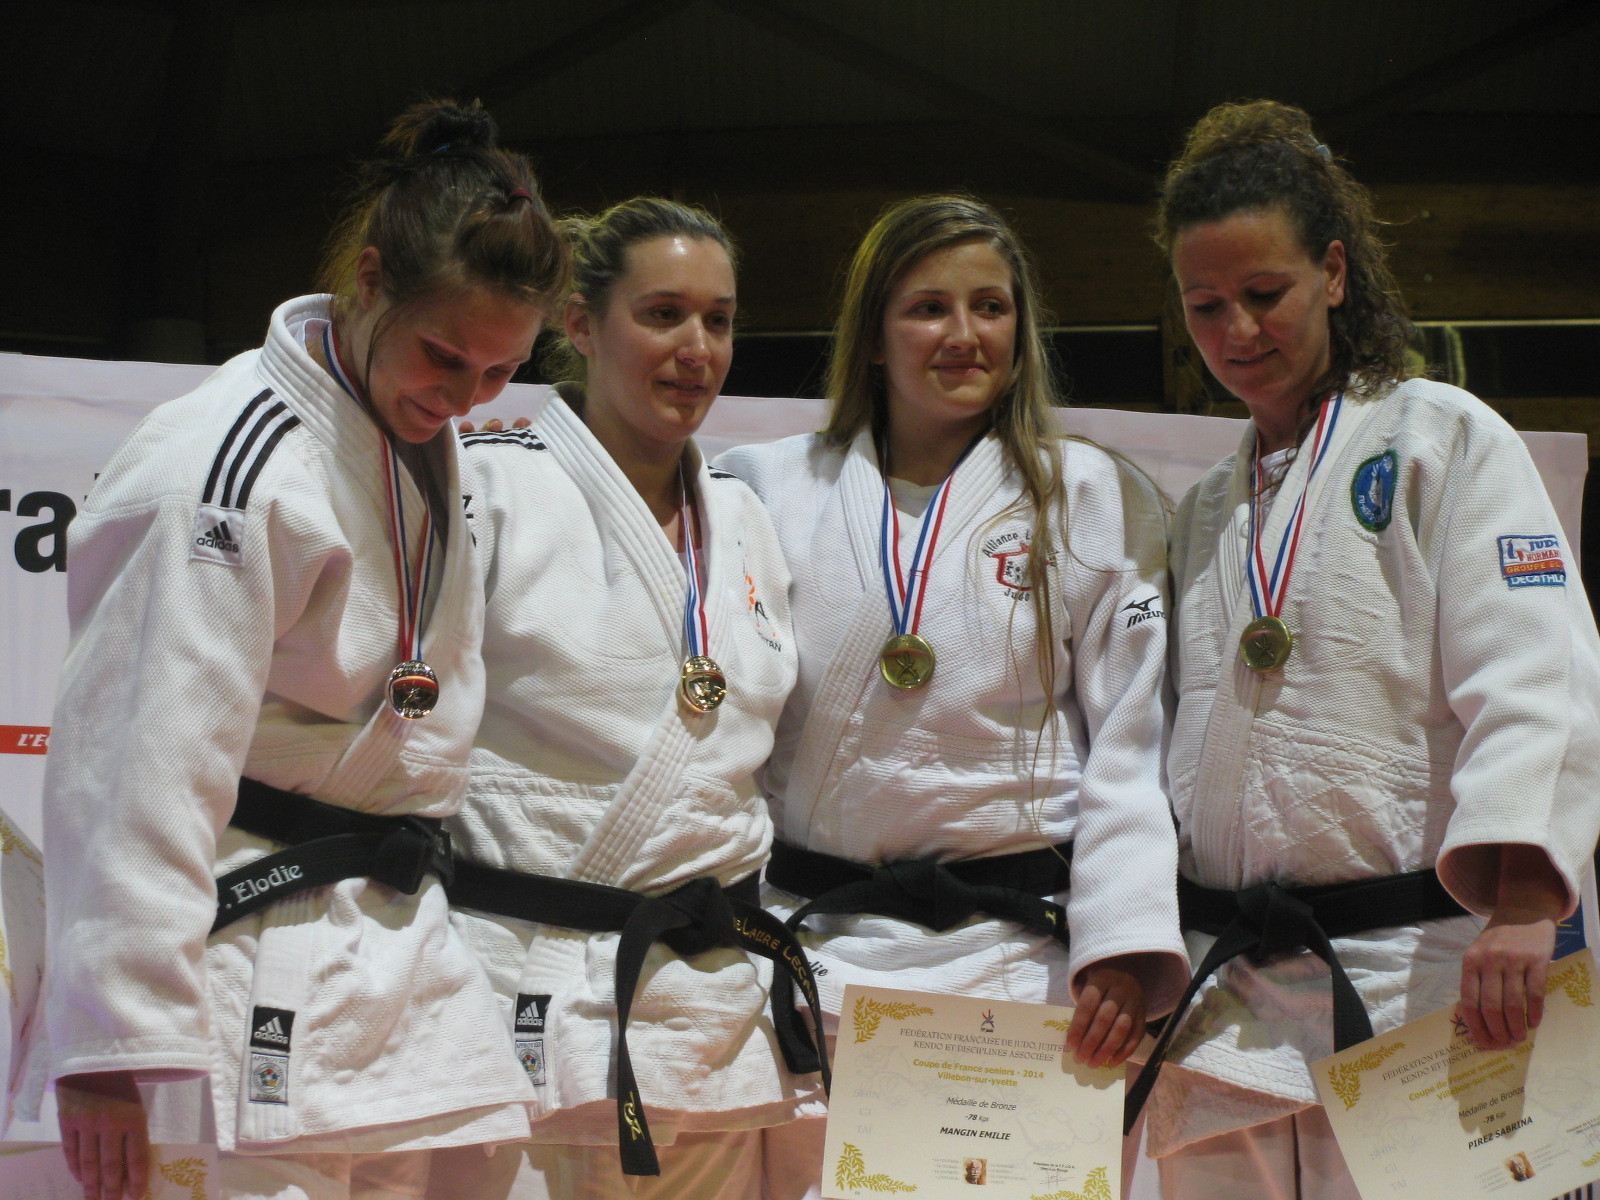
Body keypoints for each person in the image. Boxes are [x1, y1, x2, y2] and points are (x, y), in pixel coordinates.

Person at [36, 100, 566, 1200]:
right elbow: (135, 757)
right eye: (444, 356)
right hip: (236, 950)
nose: (462, 398)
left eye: (497, 374)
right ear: (368, 281)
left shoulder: (409, 438)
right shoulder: (221, 463)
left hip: (388, 935)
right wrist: (111, 1044)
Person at [1137, 99, 1600, 1200]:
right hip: (1229, 1002)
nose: (1236, 332)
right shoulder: (1202, 507)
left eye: (1265, 295)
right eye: (1204, 306)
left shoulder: (1442, 436)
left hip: (1416, 977)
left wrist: (1528, 901)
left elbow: (1536, 670)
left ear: (1334, 273)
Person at [717, 195, 1191, 1186]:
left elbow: (1133, 744)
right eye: (928, 308)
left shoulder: (1092, 496)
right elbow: (727, 734)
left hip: (1021, 958)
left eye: (991, 306)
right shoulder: (761, 486)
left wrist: (1122, 935)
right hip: (821, 953)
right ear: (874, 334)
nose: (964, 335)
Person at [430, 197, 824, 1200]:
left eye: (719, 320)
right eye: (662, 315)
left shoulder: (744, 518)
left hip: (703, 1005)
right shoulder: (485, 489)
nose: (697, 348)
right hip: (513, 982)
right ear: (577, 323)